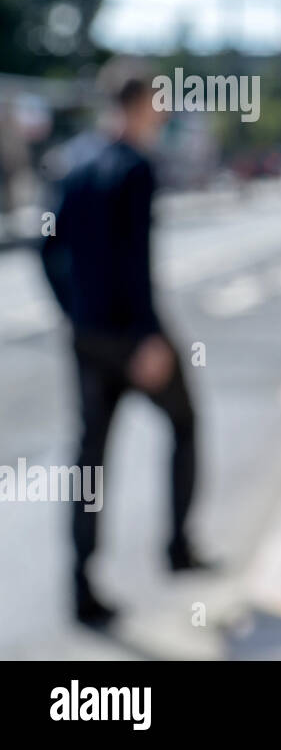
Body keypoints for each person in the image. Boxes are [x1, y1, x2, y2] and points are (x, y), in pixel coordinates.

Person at [40, 73, 209, 629]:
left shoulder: (72, 161)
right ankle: (178, 549)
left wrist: (73, 313)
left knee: (89, 460)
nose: (161, 115)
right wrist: (147, 336)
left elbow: (45, 250)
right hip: (132, 338)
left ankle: (80, 589)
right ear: (139, 106)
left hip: (87, 337)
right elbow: (136, 263)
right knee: (185, 424)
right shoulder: (135, 168)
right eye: (158, 105)